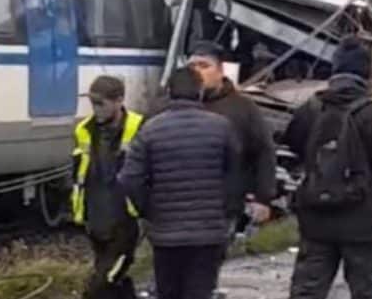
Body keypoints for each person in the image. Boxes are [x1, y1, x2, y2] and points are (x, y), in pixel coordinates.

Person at [284, 37, 372, 299]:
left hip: (315, 219)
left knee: (307, 291)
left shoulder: (310, 109)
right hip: (361, 221)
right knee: (365, 291)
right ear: (366, 74)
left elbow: (293, 149)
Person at [118, 68, 239, 299]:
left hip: (165, 232)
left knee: (169, 292)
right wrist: (226, 210)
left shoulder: (151, 129)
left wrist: (148, 209)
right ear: (200, 91)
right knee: (199, 291)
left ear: (169, 93)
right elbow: (235, 175)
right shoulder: (222, 127)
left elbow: (129, 178)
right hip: (209, 231)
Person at [187, 41, 276, 237]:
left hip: (224, 206)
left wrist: (263, 198)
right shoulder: (174, 107)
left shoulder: (243, 108)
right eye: (192, 67)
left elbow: (264, 152)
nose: (197, 72)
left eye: (204, 66)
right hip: (182, 207)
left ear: (220, 71)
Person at [73, 76, 144, 299]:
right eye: (93, 104)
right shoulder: (84, 130)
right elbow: (79, 174)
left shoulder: (141, 128)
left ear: (119, 100)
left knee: (101, 284)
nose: (96, 109)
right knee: (114, 285)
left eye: (101, 103)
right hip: (96, 221)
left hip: (125, 222)